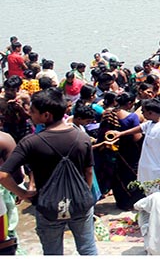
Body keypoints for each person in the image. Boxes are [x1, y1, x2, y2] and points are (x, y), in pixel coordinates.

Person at [0, 88, 98, 255]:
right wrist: (83, 194)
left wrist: (22, 193)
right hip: (80, 205)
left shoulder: (30, 142)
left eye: (32, 110)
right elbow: (88, 172)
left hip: (48, 207)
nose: (29, 113)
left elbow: (3, 175)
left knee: (53, 253)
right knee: (88, 248)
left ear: (46, 115)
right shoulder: (82, 138)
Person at [115, 99, 160, 192]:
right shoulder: (152, 123)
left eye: (143, 112)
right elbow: (141, 128)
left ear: (150, 113)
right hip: (149, 169)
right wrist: (120, 134)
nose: (141, 114)